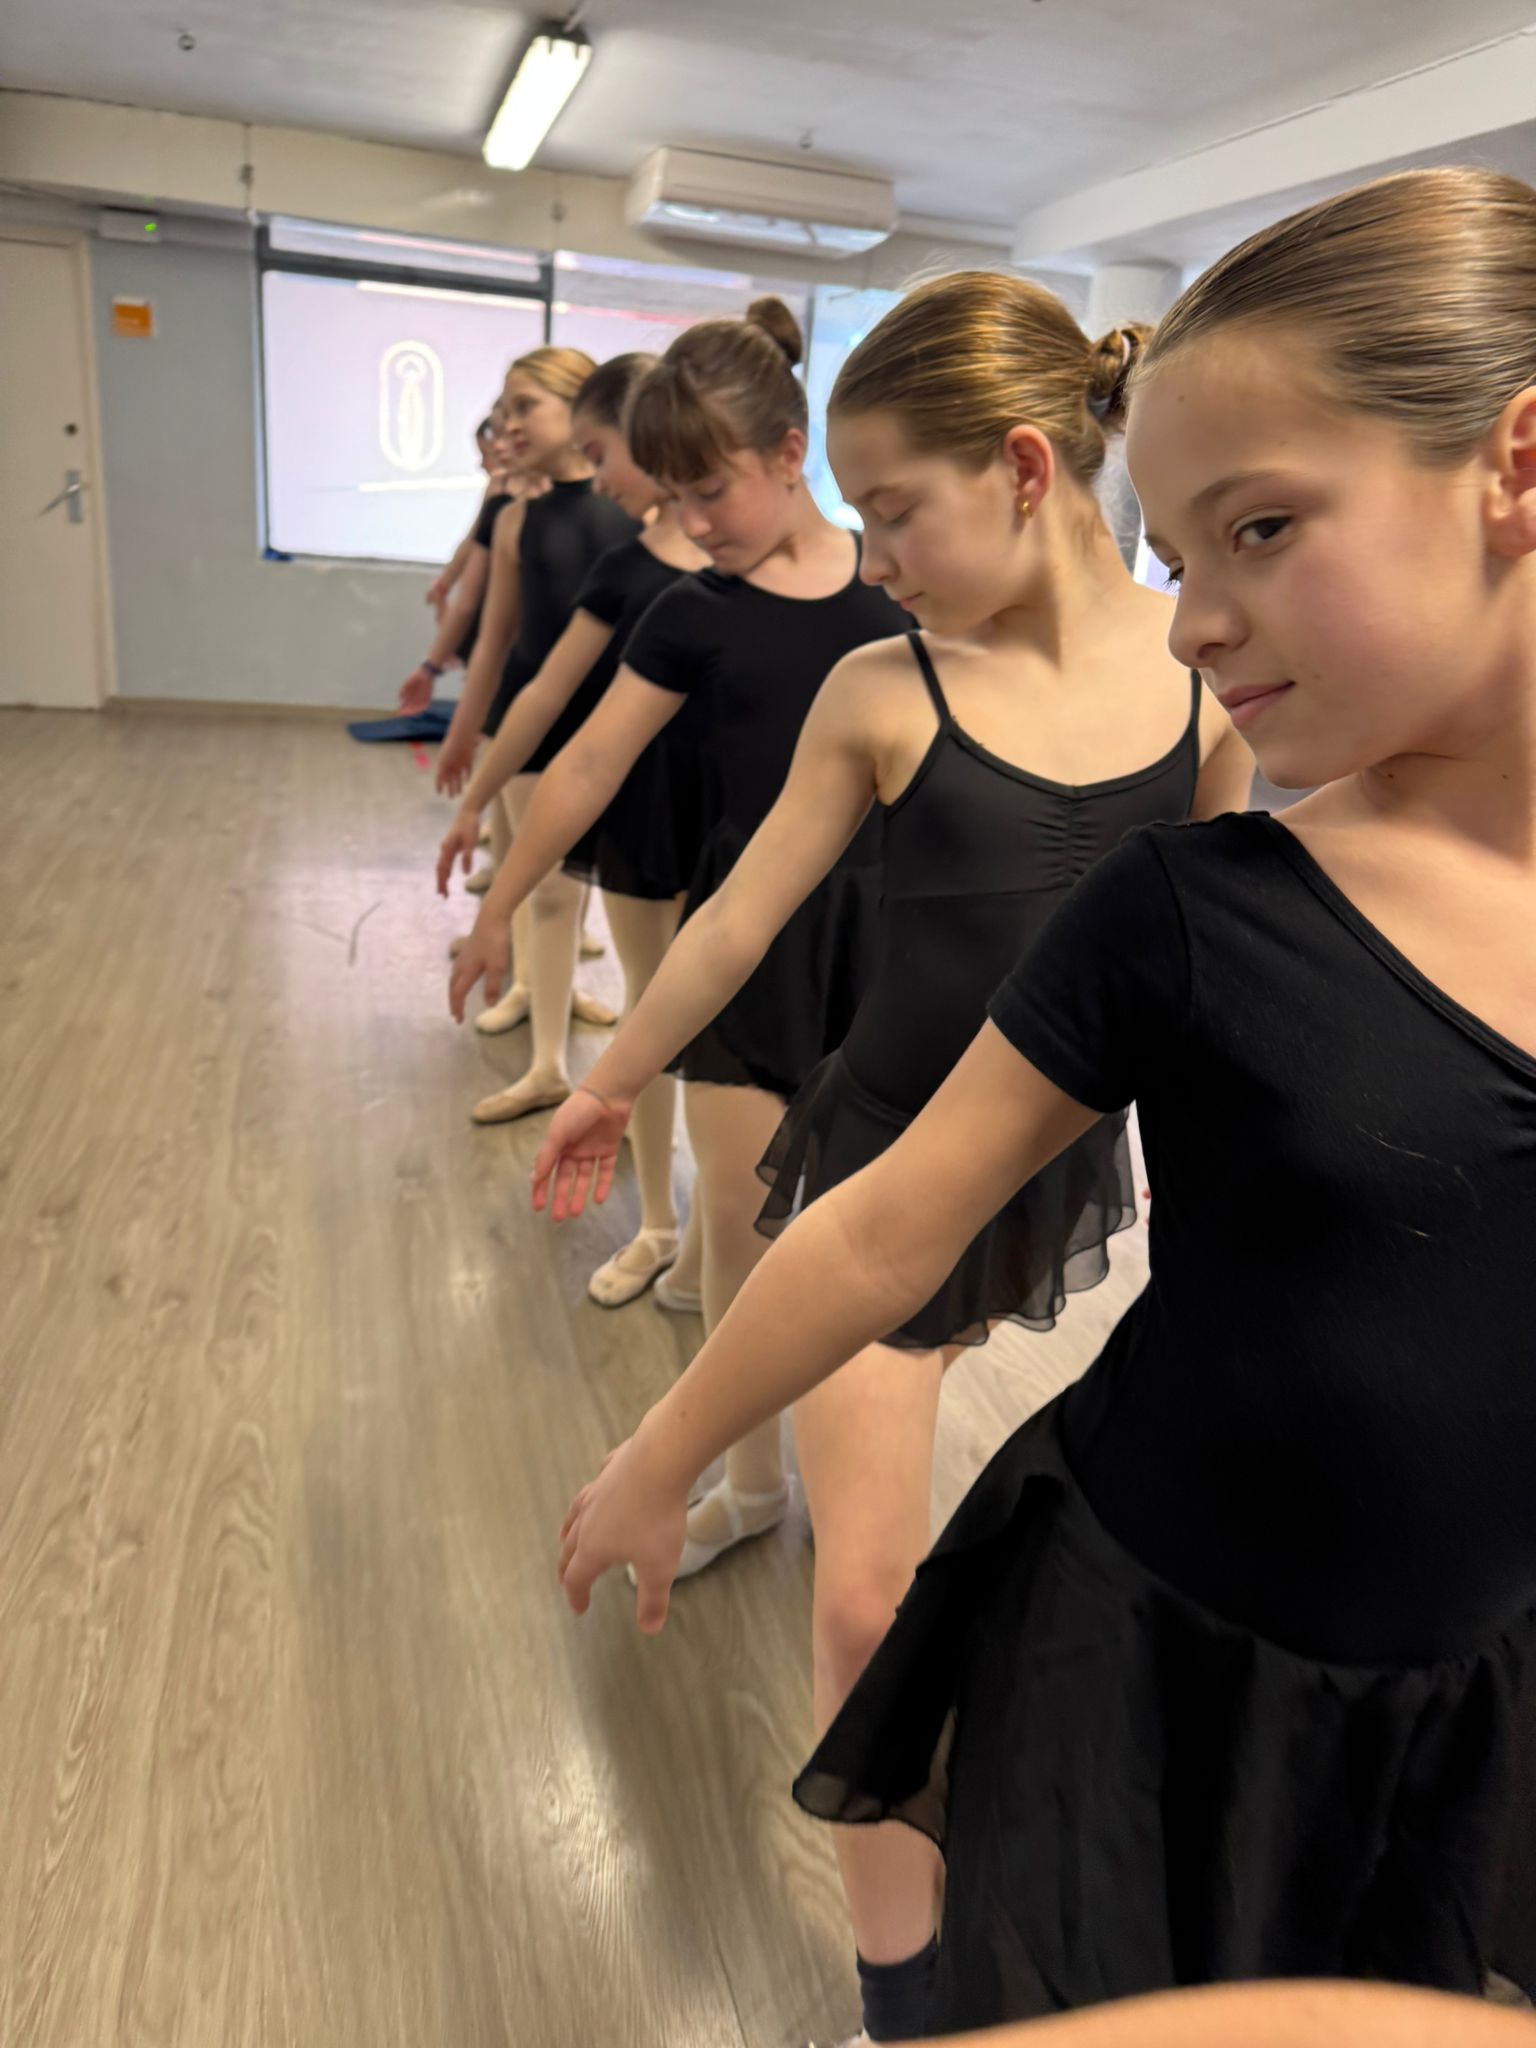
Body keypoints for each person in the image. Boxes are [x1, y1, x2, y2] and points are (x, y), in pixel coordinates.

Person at [553, 166, 1536, 2030]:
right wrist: (659, 1417)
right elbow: (776, 991)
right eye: (1190, 550)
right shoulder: (1117, 851)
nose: (1196, 621)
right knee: (874, 1609)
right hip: (971, 1271)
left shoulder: (1216, 754)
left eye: (1260, 530)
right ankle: (896, 1991)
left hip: (1439, 1639)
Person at [528, 272, 1248, 2045]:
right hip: (882, 1173)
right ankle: (904, 1998)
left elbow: (1212, 971)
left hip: (1056, 1174)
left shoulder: (1210, 675)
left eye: (897, 511)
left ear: (1024, 468)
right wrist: (609, 1080)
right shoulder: (883, 683)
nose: (878, 554)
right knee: (865, 1604)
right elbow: (732, 920)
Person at [450, 299, 903, 1487]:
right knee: (742, 1239)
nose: (691, 524)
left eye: (712, 493)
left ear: (790, 455)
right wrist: (498, 903)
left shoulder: (898, 590)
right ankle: (751, 1484)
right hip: (742, 945)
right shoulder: (694, 609)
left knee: (860, 1250)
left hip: (880, 950)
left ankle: (858, 1484)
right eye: (673, 498)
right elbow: (587, 758)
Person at [435, 353, 712, 1303]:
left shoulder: (706, 548)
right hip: (604, 774)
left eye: (529, 406)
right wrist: (474, 779)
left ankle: (701, 1225)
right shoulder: (584, 544)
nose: (511, 423)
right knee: (625, 977)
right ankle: (648, 1202)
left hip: (699, 793)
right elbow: (528, 665)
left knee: (711, 1019)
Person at [438, 347, 639, 1118]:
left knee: (591, 894)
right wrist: (466, 735)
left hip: (614, 722)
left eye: (525, 406)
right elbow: (495, 644)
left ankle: (567, 1010)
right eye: (505, 410)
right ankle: (548, 1059)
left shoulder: (638, 511)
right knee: (547, 889)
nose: (510, 424)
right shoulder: (517, 520)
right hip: (531, 724)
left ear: (578, 407)